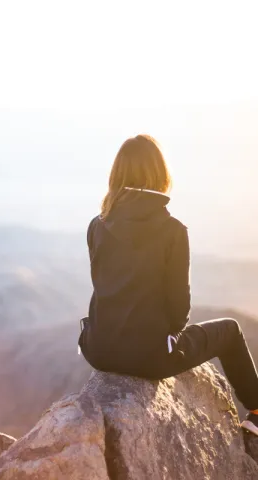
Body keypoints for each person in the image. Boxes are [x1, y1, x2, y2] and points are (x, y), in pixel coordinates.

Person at [78, 134, 258, 436]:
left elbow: (103, 284)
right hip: (150, 357)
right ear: (161, 175)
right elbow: (179, 312)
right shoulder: (173, 231)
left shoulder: (97, 224)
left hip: (98, 349)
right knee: (230, 330)